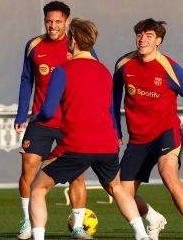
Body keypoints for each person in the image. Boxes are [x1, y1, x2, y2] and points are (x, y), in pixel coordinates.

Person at [29, 18, 150, 240]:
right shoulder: (104, 71)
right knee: (117, 188)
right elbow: (110, 109)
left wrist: (34, 117)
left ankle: (37, 237)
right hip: (107, 145)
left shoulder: (62, 71)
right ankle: (142, 235)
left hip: (76, 144)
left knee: (38, 188)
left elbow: (47, 112)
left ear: (72, 40)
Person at [113, 18, 183, 240]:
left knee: (168, 173)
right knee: (120, 192)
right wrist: (115, 129)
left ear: (158, 41)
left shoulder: (171, 68)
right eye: (140, 35)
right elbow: (113, 98)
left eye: (148, 36)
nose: (142, 39)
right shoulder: (123, 64)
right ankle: (153, 218)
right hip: (138, 138)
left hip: (166, 132)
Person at [14, 1, 88, 239]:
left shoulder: (77, 45)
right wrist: (20, 114)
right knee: (28, 169)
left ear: (66, 21)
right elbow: (27, 81)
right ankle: (27, 221)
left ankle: (77, 227)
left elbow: (92, 77)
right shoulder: (34, 45)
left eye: (58, 21)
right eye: (49, 21)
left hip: (71, 123)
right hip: (41, 122)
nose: (53, 26)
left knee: (77, 175)